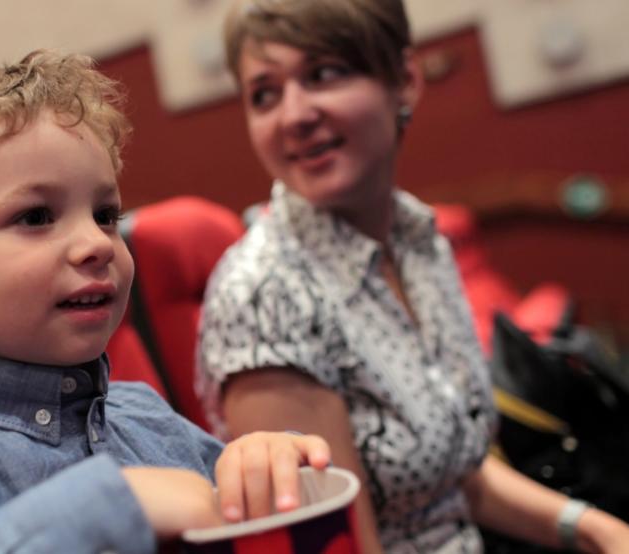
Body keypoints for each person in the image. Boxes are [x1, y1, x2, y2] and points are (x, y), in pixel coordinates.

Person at [0, 49, 332, 553]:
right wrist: (102, 508)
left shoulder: (144, 415)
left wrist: (259, 466)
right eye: (36, 217)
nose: (96, 243)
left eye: (105, 215)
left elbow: (235, 513)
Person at [195, 1, 629, 552]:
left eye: (324, 74)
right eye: (264, 94)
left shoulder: (420, 239)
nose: (293, 114)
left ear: (403, 81)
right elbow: (346, 545)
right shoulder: (265, 294)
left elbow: (459, 474)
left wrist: (598, 529)